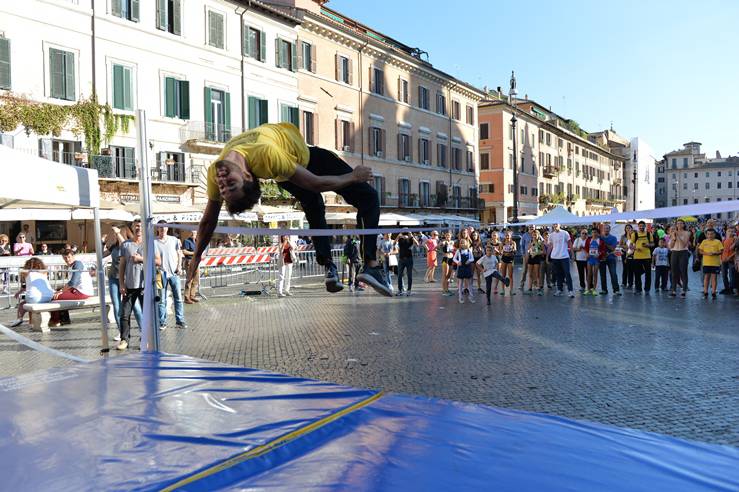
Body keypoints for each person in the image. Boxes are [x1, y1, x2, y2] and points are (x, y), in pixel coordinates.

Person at [186, 122, 391, 298]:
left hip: (287, 175)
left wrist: (194, 261)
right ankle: (370, 265)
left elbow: (208, 220)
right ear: (246, 176)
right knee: (369, 198)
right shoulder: (266, 154)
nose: (221, 182)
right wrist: (354, 176)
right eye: (228, 184)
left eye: (224, 186)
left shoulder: (215, 170)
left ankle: (329, 265)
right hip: (308, 161)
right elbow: (315, 183)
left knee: (313, 205)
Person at [118, 219, 161, 350]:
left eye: (140, 226)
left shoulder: (150, 243)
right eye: (135, 226)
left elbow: (158, 261)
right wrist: (121, 283)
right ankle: (124, 340)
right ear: (132, 228)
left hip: (145, 284)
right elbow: (122, 265)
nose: (138, 229)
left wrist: (140, 259)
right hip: (130, 284)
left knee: (147, 314)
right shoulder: (125, 245)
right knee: (124, 314)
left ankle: (146, 339)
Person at [103, 224, 141, 342]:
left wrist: (118, 233)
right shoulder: (114, 247)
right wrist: (102, 242)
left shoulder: (128, 244)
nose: (114, 236)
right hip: (113, 277)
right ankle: (122, 333)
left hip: (127, 278)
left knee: (134, 305)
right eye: (114, 234)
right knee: (116, 304)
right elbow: (101, 255)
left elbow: (124, 244)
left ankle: (143, 330)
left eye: (117, 234)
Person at [49, 249, 94, 326]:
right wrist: (60, 290)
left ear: (73, 256)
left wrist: (61, 291)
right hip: (81, 291)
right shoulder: (73, 265)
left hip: (83, 292)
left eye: (69, 257)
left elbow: (73, 282)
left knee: (54, 297)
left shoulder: (77, 264)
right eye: (65, 258)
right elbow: (72, 284)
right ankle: (65, 320)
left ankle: (55, 321)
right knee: (57, 292)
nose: (67, 259)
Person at [155, 221, 186, 329]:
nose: (163, 229)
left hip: (174, 273)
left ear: (167, 228)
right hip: (160, 273)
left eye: (164, 227)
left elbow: (179, 254)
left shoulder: (174, 240)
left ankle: (180, 320)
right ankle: (162, 322)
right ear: (158, 229)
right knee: (162, 300)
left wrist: (179, 267)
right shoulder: (154, 242)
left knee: (178, 298)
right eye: (160, 228)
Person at [10, 257, 55, 327]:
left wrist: (19, 292)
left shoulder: (26, 273)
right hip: (49, 296)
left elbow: (25, 286)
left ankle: (20, 318)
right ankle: (34, 321)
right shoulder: (44, 273)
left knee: (22, 304)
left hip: (34, 297)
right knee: (32, 300)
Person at [548, 223, 575, 298]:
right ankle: (559, 289)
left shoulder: (565, 233)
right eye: (554, 224)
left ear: (559, 225)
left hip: (564, 256)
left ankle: (570, 290)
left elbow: (570, 244)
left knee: (567, 273)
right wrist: (547, 256)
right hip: (555, 257)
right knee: (558, 274)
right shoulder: (551, 235)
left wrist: (572, 254)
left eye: (556, 224)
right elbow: (550, 246)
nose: (555, 225)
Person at [630, 221, 654, 295]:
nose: (641, 227)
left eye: (643, 226)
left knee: (648, 273)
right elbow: (630, 245)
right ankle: (638, 289)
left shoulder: (648, 234)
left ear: (645, 226)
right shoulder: (634, 234)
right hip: (637, 256)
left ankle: (647, 289)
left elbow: (653, 244)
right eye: (640, 226)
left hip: (647, 256)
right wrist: (635, 248)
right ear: (638, 226)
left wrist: (648, 245)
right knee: (637, 273)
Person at [668, 219, 691, 297]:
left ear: (684, 225)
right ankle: (673, 290)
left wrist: (678, 236)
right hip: (674, 252)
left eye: (681, 223)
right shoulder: (672, 233)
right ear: (676, 225)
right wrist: (674, 238)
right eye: (678, 223)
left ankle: (684, 290)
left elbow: (684, 244)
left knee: (683, 272)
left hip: (683, 252)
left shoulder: (687, 233)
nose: (679, 225)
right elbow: (670, 246)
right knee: (674, 272)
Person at [698, 229, 722, 299]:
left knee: (714, 278)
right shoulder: (704, 241)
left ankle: (713, 292)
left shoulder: (718, 242)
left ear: (714, 234)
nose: (710, 235)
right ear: (706, 235)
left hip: (715, 263)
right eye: (708, 234)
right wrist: (706, 253)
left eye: (711, 234)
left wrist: (715, 253)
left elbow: (721, 251)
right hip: (706, 263)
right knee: (706, 277)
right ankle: (705, 292)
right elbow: (700, 251)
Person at [599, 224, 621, 296]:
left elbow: (612, 248)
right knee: (602, 275)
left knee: (613, 274)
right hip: (602, 258)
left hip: (611, 258)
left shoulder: (613, 238)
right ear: (603, 229)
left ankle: (616, 290)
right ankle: (604, 290)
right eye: (605, 228)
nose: (606, 229)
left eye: (607, 228)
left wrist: (604, 243)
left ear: (610, 229)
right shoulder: (599, 238)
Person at [395, 229, 418, 296]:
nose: (405, 234)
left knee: (409, 275)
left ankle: (409, 290)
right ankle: (400, 290)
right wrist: (398, 236)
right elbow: (394, 244)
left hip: (409, 259)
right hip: (401, 259)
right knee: (399, 275)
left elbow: (417, 244)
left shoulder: (411, 239)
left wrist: (412, 236)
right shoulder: (400, 239)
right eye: (404, 232)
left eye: (406, 232)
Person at [453, 238, 475, 304]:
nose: (462, 244)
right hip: (461, 267)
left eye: (464, 242)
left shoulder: (469, 250)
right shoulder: (458, 251)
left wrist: (469, 260)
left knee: (469, 283)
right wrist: (457, 262)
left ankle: (471, 296)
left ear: (466, 243)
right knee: (460, 283)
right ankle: (460, 297)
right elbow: (454, 258)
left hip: (468, 267)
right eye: (461, 242)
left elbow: (472, 258)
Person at [584, 228, 604, 295]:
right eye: (592, 232)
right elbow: (586, 248)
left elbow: (603, 250)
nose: (594, 234)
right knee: (589, 274)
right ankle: (588, 289)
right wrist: (587, 254)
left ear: (598, 233)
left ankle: (594, 289)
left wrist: (599, 254)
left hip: (596, 259)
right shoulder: (589, 240)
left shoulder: (600, 240)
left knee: (595, 274)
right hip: (590, 259)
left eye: (595, 232)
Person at [526, 229, 545, 295]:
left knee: (537, 274)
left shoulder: (540, 242)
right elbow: (528, 250)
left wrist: (537, 253)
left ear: (538, 235)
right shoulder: (530, 241)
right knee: (530, 274)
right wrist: (529, 253)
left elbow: (544, 252)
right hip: (531, 258)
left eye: (535, 234)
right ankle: (530, 288)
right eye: (533, 234)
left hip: (537, 258)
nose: (534, 236)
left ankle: (539, 288)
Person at [182, 231, 199, 303]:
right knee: (189, 280)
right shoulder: (186, 241)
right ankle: (186, 298)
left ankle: (192, 296)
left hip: (196, 261)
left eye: (195, 233)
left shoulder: (196, 242)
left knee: (196, 280)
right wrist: (194, 253)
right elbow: (184, 251)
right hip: (189, 261)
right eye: (192, 233)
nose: (193, 234)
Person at [498, 231, 516, 296]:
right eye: (506, 235)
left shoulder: (513, 243)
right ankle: (503, 290)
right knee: (503, 275)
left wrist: (513, 249)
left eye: (508, 235)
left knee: (510, 275)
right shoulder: (502, 243)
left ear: (510, 236)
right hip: (504, 259)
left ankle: (511, 290)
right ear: (504, 236)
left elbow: (515, 251)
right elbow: (500, 252)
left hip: (510, 259)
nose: (507, 236)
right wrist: (502, 252)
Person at [720, 228, 736, 295]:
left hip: (731, 260)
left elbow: (736, 251)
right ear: (726, 232)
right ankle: (726, 288)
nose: (730, 232)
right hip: (724, 259)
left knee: (731, 275)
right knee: (724, 275)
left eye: (732, 231)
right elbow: (722, 250)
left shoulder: (735, 240)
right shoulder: (724, 240)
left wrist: (730, 257)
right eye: (729, 231)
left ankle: (731, 288)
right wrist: (721, 259)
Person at [439, 231, 455, 296]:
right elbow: (437, 246)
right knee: (444, 275)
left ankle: (447, 289)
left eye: (449, 235)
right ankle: (444, 290)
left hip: (451, 259)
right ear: (445, 236)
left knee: (449, 275)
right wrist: (442, 251)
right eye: (447, 235)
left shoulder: (452, 242)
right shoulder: (444, 242)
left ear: (451, 236)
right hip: (445, 259)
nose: (448, 236)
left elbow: (455, 249)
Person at [518, 225, 533, 291]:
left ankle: (534, 284)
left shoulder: (536, 234)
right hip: (527, 255)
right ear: (528, 228)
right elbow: (522, 246)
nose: (531, 228)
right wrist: (523, 254)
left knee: (534, 270)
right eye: (530, 227)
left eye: (532, 227)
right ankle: (522, 284)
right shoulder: (525, 235)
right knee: (524, 270)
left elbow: (542, 241)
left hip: (535, 255)